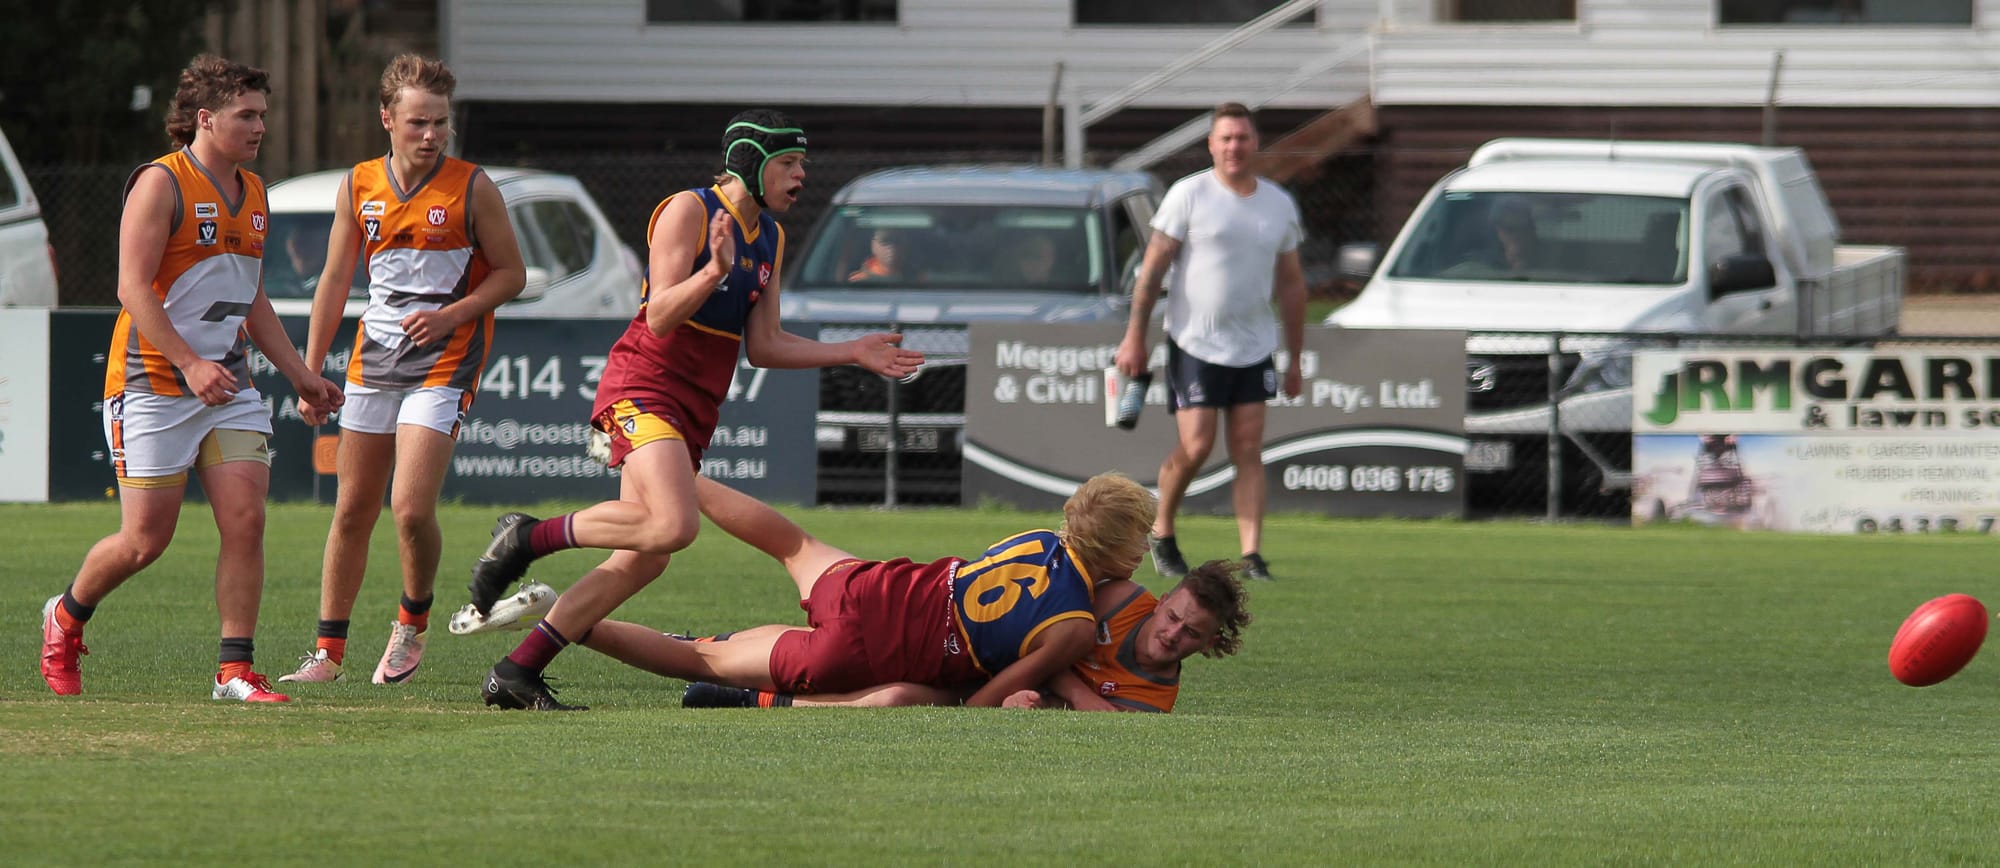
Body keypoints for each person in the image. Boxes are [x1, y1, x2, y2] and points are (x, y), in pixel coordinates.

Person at [462, 110, 924, 711]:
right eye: (789, 163)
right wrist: (711, 273)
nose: (801, 175)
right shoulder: (689, 210)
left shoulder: (771, 238)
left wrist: (851, 352)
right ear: (752, 164)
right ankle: (527, 537)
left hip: (692, 412)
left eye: (801, 163)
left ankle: (517, 672)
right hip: (642, 389)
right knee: (675, 527)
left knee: (645, 558)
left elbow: (764, 345)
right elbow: (658, 316)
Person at [38, 55, 344, 701]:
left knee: (246, 519)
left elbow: (251, 297)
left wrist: (299, 374)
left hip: (228, 389)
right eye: (247, 115)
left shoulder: (256, 191)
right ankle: (65, 617)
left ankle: (233, 671)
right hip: (152, 383)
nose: (260, 126)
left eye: (263, 114)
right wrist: (188, 361)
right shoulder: (162, 183)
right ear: (205, 118)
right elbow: (131, 287)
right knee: (145, 540)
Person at [275, 55, 527, 685]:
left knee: (410, 509)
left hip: (446, 359)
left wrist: (452, 315)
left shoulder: (473, 187)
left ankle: (410, 624)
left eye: (440, 122)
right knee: (353, 509)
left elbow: (512, 275)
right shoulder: (359, 184)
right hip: (374, 359)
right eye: (418, 122)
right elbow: (335, 279)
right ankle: (327, 655)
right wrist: (310, 373)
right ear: (387, 119)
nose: (431, 135)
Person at [571, 471, 1158, 708]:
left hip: (878, 586)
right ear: (1119, 550)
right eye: (1144, 538)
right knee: (704, 659)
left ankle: (670, 471)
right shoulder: (1076, 626)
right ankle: (559, 619)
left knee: (791, 542)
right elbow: (991, 698)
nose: (1147, 549)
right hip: (871, 651)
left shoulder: (1038, 539)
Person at [1113, 102, 1306, 583]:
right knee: (1197, 445)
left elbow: (1292, 285)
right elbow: (1153, 267)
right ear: (1211, 145)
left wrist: (1296, 358)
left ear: (1254, 142)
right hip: (1194, 342)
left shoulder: (1277, 204)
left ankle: (1252, 554)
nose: (1234, 146)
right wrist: (1135, 336)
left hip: (1254, 345)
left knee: (1247, 447)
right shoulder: (1189, 194)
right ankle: (1162, 528)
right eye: (1225, 138)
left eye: (1242, 137)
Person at [676, 559, 1252, 713]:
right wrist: (1066, 681)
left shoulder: (1158, 700)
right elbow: (1050, 625)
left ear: (1209, 645)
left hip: (995, 685)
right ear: (1167, 597)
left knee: (896, 697)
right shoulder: (1124, 597)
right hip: (984, 641)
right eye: (1172, 615)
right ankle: (711, 647)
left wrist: (1041, 698)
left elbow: (1098, 723)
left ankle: (757, 697)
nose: (1171, 632)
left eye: (1190, 633)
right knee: (847, 644)